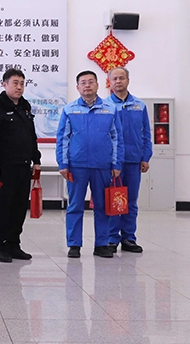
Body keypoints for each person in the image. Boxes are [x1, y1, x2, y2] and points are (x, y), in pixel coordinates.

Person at [56, 71, 123, 259]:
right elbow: (63, 138)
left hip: (102, 165)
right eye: (83, 82)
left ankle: (101, 244)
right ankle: (74, 244)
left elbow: (117, 138)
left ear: (97, 85)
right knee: (75, 206)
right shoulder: (69, 110)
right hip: (76, 166)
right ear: (77, 87)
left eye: (91, 82)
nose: (87, 85)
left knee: (102, 206)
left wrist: (116, 163)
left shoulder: (110, 109)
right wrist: (63, 163)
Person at [0, 68, 41, 263]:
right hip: (5, 168)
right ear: (4, 85)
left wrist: (36, 160)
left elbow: (31, 136)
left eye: (22, 84)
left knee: (20, 207)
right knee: (3, 207)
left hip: (23, 166)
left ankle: (13, 244)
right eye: (15, 83)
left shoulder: (25, 108)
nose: (19, 87)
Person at [107, 66, 151, 254]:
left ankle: (129, 238)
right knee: (113, 200)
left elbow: (146, 133)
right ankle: (111, 239)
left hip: (133, 160)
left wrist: (145, 157)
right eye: (115, 78)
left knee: (131, 201)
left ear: (128, 80)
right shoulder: (105, 106)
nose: (118, 81)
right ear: (110, 82)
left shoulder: (139, 105)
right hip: (112, 163)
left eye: (122, 78)